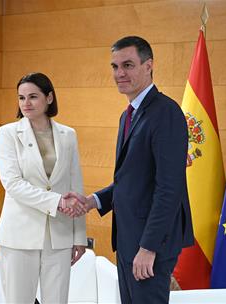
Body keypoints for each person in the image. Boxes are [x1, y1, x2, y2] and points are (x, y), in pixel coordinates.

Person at [67, 36, 194, 304]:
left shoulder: (166, 112)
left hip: (150, 243)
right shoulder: (128, 115)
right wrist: (93, 201)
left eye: (127, 65)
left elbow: (169, 188)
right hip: (127, 237)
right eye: (114, 66)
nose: (119, 73)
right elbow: (134, 179)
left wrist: (148, 247)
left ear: (148, 66)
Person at [0, 72, 87, 304]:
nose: (26, 103)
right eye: (21, 97)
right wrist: (56, 201)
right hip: (19, 235)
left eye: (33, 97)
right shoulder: (7, 133)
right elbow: (13, 184)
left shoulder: (68, 135)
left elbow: (75, 184)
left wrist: (79, 236)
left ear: (49, 98)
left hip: (60, 235)